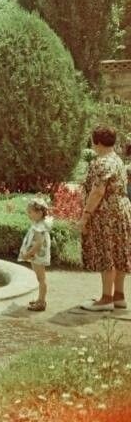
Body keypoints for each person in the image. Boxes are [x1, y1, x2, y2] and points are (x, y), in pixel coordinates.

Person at [78, 126, 131, 312]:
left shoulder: (101, 162)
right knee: (119, 251)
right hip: (122, 209)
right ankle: (119, 296)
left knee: (106, 252)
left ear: (97, 142)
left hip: (106, 213)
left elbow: (98, 191)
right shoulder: (117, 160)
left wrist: (85, 216)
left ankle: (106, 298)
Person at [18, 198, 53, 312]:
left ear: (39, 213)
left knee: (41, 279)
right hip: (37, 255)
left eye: (30, 212)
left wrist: (28, 254)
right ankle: (39, 299)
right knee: (39, 278)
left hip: (38, 255)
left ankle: (41, 302)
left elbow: (39, 243)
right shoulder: (39, 223)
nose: (28, 214)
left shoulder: (39, 227)